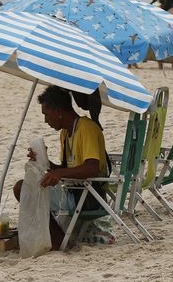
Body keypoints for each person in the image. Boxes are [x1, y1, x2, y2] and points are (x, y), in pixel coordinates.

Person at [12, 86, 108, 250]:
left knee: (22, 188)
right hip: (76, 190)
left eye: (47, 114)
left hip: (89, 195)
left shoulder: (86, 128)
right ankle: (55, 237)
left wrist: (59, 172)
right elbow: (67, 169)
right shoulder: (66, 133)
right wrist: (45, 160)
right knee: (27, 186)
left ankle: (58, 240)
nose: (46, 120)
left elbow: (91, 168)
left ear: (59, 112)